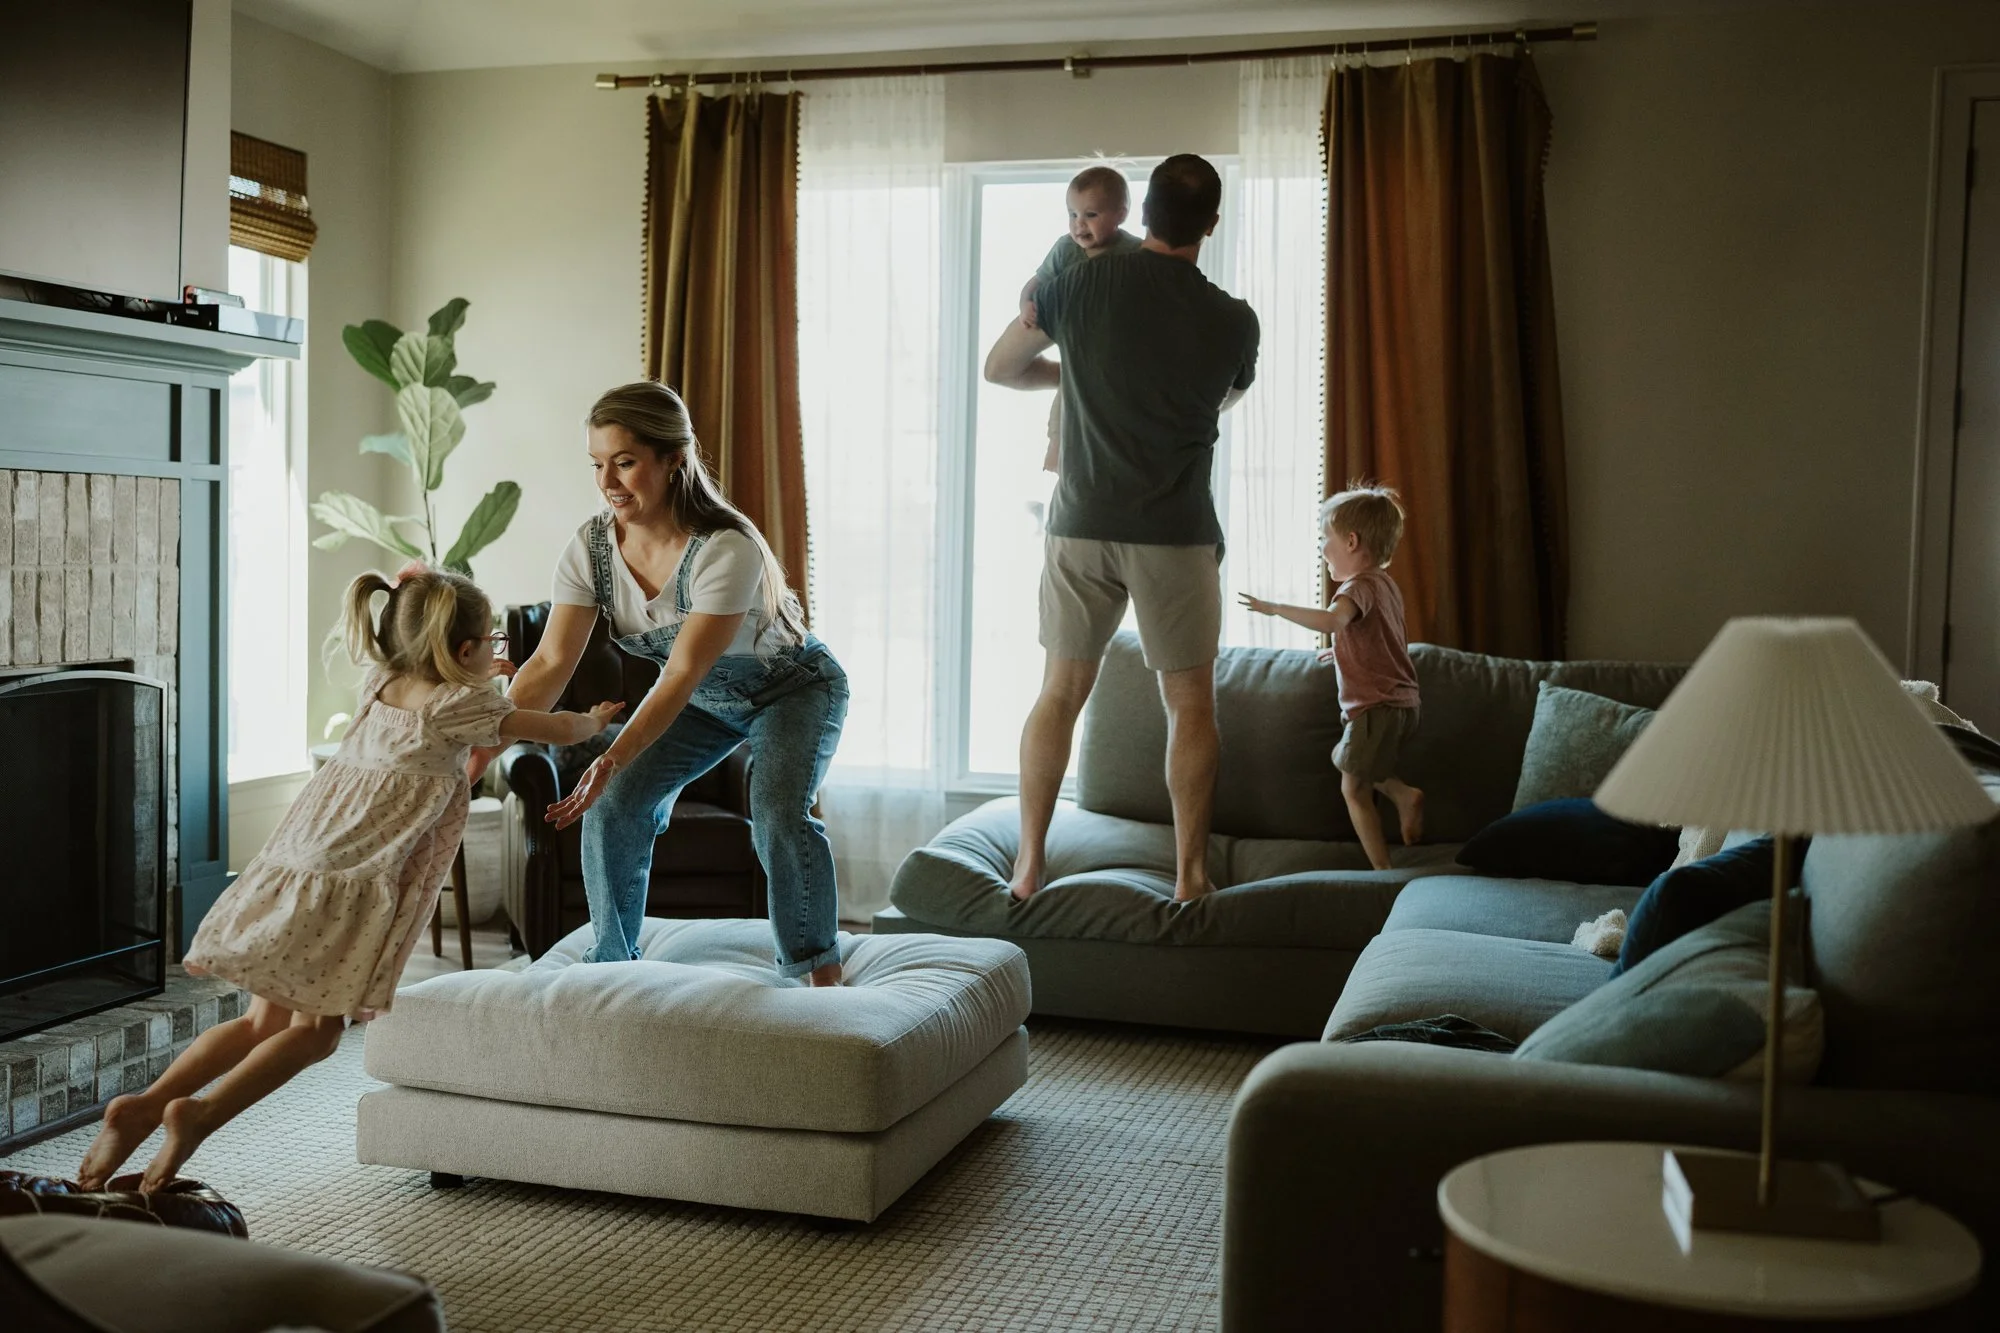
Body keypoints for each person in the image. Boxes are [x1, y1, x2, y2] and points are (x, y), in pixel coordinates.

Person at [77, 564, 620, 1192]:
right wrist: (593, 721)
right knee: (316, 1035)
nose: (496, 657)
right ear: (464, 651)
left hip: (301, 863)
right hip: (351, 886)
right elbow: (555, 727)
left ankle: (139, 1107)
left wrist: (472, 676)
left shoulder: (383, 682)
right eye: (491, 646)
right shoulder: (463, 704)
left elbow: (443, 759)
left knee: (262, 1025)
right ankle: (197, 1117)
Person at [469, 380, 851, 986]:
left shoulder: (725, 547)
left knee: (778, 814)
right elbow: (547, 666)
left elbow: (679, 673)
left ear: (674, 459)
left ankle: (819, 972)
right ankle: (612, 968)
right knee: (614, 806)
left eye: (625, 462)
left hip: (792, 690)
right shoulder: (590, 550)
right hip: (703, 700)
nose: (607, 483)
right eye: (597, 464)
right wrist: (480, 744)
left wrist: (610, 758)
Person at [984, 153, 1259, 903]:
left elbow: (1001, 368)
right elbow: (1223, 398)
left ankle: (1029, 865)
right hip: (1176, 531)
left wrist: (1082, 373)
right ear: (1210, 223)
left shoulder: (1078, 282)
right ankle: (1191, 876)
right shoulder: (1234, 319)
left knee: (1059, 692)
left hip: (1080, 527)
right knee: (1190, 704)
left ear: (1142, 213)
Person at [1239, 484, 1424, 870]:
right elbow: (1375, 638)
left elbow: (1332, 620)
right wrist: (1340, 650)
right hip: (1401, 704)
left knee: (1353, 788)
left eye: (1326, 539)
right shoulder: (1385, 586)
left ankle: (1383, 870)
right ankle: (1401, 797)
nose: (1322, 549)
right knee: (1349, 763)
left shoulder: (1357, 587)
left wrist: (1274, 608)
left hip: (1376, 706)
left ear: (1352, 541)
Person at [1019, 164, 1144, 474]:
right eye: (1072, 215)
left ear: (1120, 214)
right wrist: (1025, 305)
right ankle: (1059, 462)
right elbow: (1035, 284)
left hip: (1116, 353)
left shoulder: (1133, 252)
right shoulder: (1065, 250)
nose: (1079, 225)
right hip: (1078, 351)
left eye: (1091, 215)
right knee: (1065, 412)